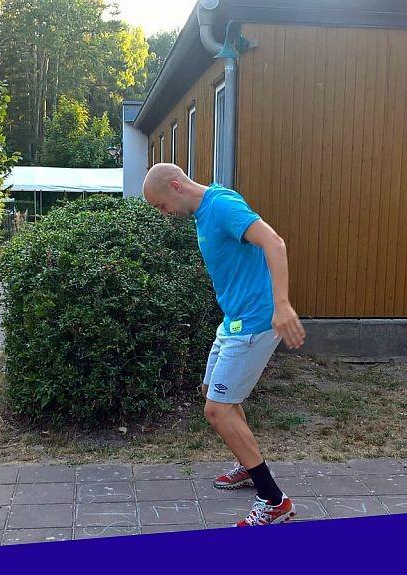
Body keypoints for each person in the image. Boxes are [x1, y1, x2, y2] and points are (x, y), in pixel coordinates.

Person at [142, 163, 306, 526]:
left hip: (255, 320)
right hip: (233, 321)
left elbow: (274, 242)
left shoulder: (222, 205)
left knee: (217, 411)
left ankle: (274, 501)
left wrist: (282, 305)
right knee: (212, 393)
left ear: (176, 187)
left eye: (161, 205)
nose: (164, 214)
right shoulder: (204, 212)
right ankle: (248, 464)